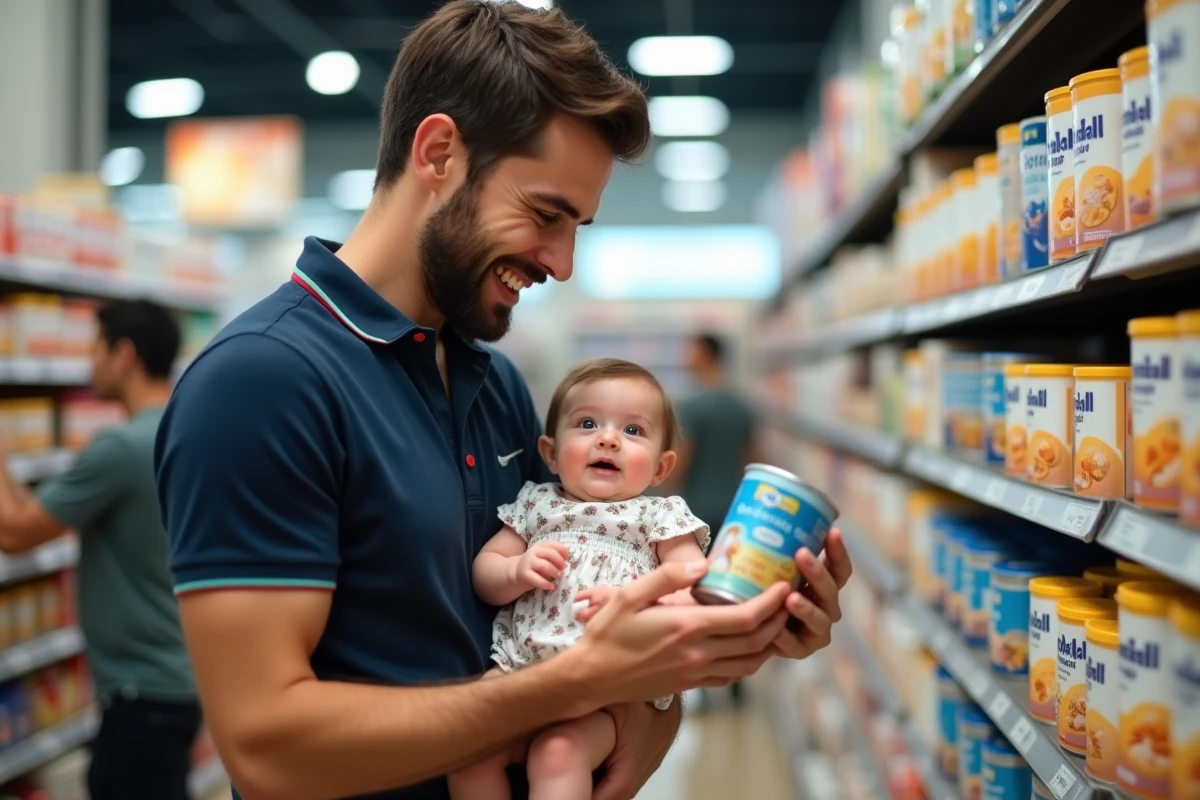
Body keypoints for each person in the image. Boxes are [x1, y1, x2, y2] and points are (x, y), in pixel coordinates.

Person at [154, 3, 854, 800]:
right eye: (545, 214)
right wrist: (571, 687)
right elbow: (267, 751)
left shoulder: (496, 385)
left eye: (578, 226)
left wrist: (720, 640)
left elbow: (567, 635)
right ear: (440, 152)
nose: (560, 261)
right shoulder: (261, 383)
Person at [450, 358, 710, 800]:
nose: (608, 439)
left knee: (558, 754)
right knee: (466, 744)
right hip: (519, 667)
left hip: (608, 685)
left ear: (661, 468)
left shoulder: (658, 516)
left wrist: (639, 605)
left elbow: (690, 588)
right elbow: (485, 571)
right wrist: (515, 569)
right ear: (549, 453)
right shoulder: (535, 505)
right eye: (587, 423)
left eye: (633, 431)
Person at [0, 299, 200, 800]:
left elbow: (15, 533)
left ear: (124, 355)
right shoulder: (183, 428)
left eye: (94, 348)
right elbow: (47, 515)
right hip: (179, 676)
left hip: (140, 693)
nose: (88, 361)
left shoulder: (121, 448)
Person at [674, 333, 763, 707]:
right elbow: (752, 458)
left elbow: (684, 457)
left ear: (707, 354)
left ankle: (708, 682)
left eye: (691, 348)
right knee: (733, 592)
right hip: (734, 511)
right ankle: (739, 681)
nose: (685, 356)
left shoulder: (692, 406)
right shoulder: (741, 407)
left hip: (697, 512)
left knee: (701, 595)